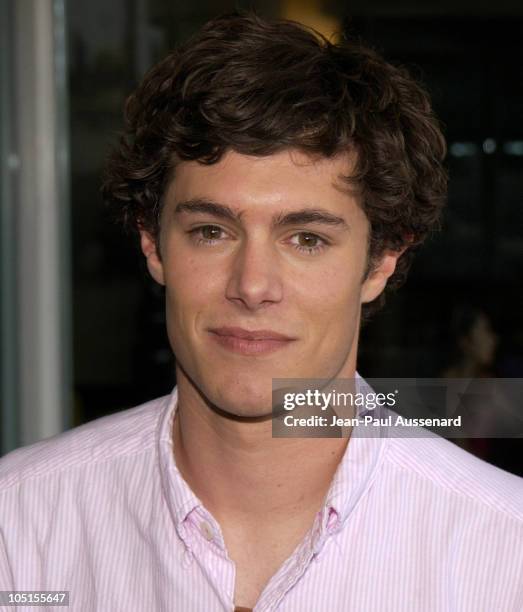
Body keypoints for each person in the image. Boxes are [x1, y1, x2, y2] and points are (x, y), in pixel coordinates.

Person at [1, 12, 522, 612]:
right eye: (211, 231)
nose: (252, 285)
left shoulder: (505, 554)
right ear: (153, 244)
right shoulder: (20, 528)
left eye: (306, 239)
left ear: (380, 261)